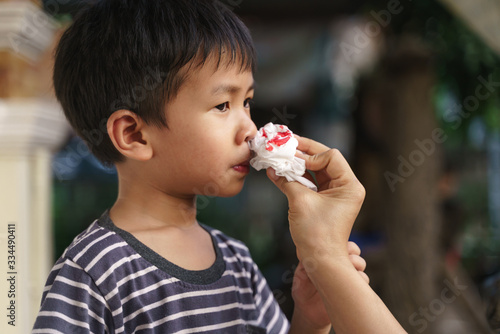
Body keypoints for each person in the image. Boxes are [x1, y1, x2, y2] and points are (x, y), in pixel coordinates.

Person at [32, 0, 406, 333]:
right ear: (134, 135)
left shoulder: (236, 260)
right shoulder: (93, 273)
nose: (250, 128)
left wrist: (310, 319)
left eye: (247, 101)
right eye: (223, 106)